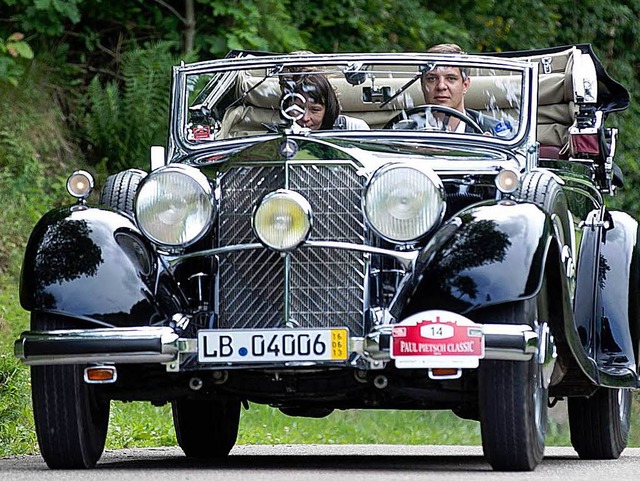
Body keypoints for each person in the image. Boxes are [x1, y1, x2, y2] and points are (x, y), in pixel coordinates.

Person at [420, 43, 504, 135]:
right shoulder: (404, 132)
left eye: (451, 78)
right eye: (432, 79)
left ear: (465, 85)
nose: (441, 86)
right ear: (422, 85)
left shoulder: (493, 131)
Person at [279, 71, 369, 131]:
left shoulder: (354, 129)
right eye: (297, 109)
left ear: (327, 110)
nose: (305, 118)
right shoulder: (276, 137)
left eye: (315, 110)